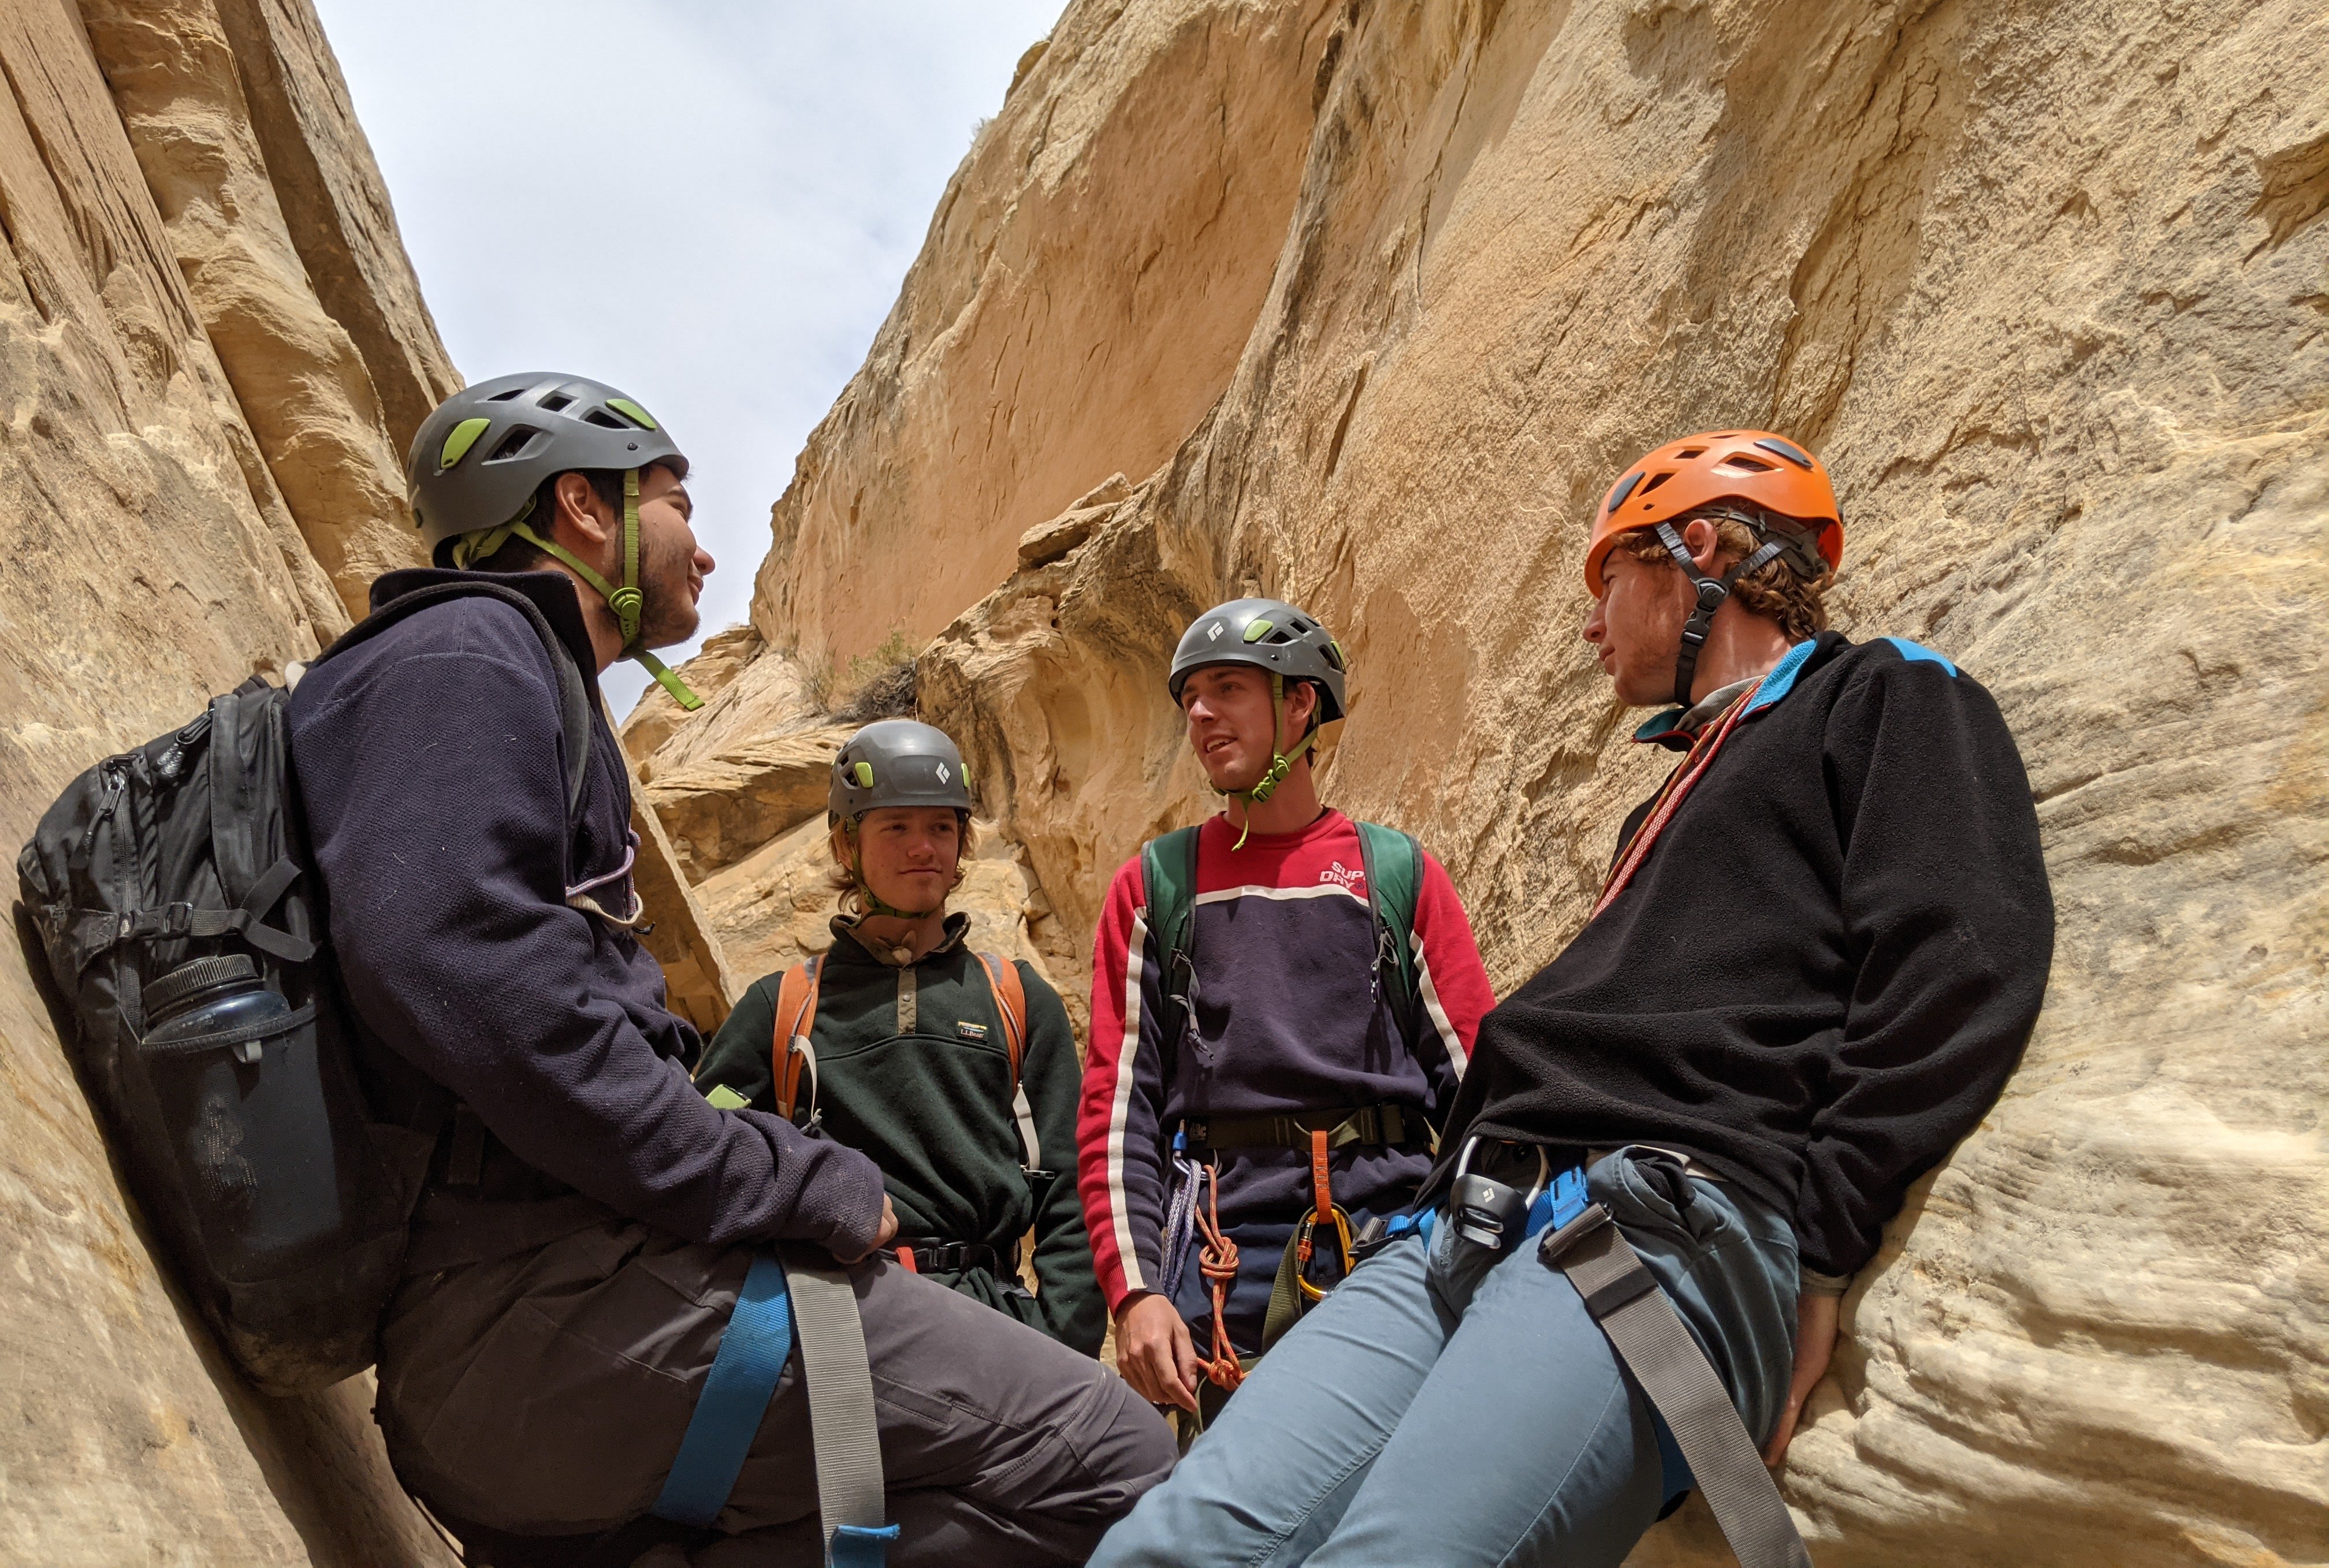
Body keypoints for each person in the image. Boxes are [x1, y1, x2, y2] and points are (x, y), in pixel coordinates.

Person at [1085, 431, 2053, 1567]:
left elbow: (1961, 958)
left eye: (1608, 583)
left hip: (1653, 1227)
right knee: (1159, 1551)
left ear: (1693, 551)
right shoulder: (1660, 812)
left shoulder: (1884, 692)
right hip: (1454, 1230)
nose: (1591, 627)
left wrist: (1824, 1250)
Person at [289, 373, 1171, 1565]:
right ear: (583, 509)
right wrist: (786, 1179)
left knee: (972, 1499)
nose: (700, 552)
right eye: (674, 503)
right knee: (1118, 1460)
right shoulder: (471, 647)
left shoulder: (495, 671)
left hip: (537, 1332)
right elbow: (462, 969)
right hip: (538, 1307)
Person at [1077, 598, 1497, 1425]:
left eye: (1229, 687)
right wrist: (1133, 1294)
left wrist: (1485, 1259)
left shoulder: (1396, 873)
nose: (1199, 714)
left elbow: (1483, 1087)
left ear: (1301, 703)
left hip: (1392, 1243)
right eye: (1190, 695)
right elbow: (1118, 1111)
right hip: (1220, 1270)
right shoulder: (1155, 886)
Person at [695, 719, 1104, 1354]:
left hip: (989, 1323)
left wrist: (1060, 1337)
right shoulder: (782, 1008)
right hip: (835, 1318)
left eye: (942, 827)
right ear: (844, 846)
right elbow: (705, 1138)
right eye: (896, 827)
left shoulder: (1017, 999)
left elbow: (1073, 1183)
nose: (925, 848)